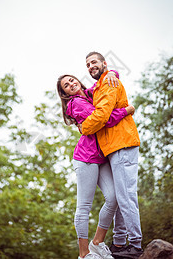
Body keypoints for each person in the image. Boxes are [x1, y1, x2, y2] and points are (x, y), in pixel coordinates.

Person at [57, 72, 135, 259]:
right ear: (65, 93)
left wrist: (111, 74)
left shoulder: (90, 94)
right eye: (66, 85)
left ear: (77, 80)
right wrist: (126, 111)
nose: (71, 84)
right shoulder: (75, 104)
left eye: (71, 80)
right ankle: (84, 254)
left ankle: (97, 243)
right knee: (84, 206)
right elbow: (103, 120)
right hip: (85, 158)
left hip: (102, 157)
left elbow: (104, 81)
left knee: (114, 197)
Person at [79, 51, 143, 259]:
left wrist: (84, 127)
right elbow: (83, 94)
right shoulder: (98, 87)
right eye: (87, 64)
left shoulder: (108, 83)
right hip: (113, 148)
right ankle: (118, 243)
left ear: (104, 63)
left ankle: (135, 244)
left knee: (126, 196)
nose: (90, 66)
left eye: (94, 62)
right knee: (119, 196)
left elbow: (102, 115)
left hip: (122, 143)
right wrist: (113, 72)